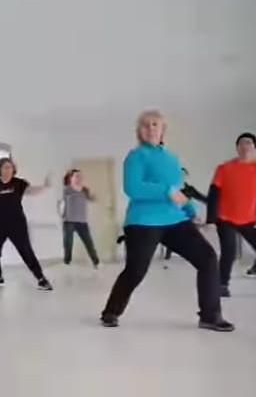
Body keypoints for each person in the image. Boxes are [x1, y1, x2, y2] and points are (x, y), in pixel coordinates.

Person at [100, 110, 234, 331]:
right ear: (139, 132)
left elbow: (178, 191)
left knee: (208, 258)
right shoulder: (136, 156)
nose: (150, 128)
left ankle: (210, 316)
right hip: (143, 222)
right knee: (136, 270)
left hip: (175, 221)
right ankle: (111, 311)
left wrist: (190, 210)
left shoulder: (171, 159)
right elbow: (133, 188)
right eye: (145, 125)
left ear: (163, 130)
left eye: (155, 124)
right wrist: (166, 191)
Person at [0, 158, 53, 290]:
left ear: (13, 170)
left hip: (16, 224)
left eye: (10, 167)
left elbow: (32, 191)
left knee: (26, 251)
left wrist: (45, 186)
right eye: (5, 167)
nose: (8, 170)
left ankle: (41, 279)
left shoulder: (18, 183)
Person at [206, 133, 256, 296]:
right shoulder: (225, 168)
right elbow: (214, 193)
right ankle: (222, 285)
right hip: (225, 218)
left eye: (248, 143)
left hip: (249, 219)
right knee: (229, 252)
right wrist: (211, 219)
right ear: (237, 148)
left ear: (254, 148)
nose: (245, 146)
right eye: (241, 143)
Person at [163, 167, 207, 267]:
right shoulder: (171, 189)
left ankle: (194, 251)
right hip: (174, 217)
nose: (181, 177)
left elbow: (202, 199)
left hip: (188, 216)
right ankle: (170, 251)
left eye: (183, 175)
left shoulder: (189, 189)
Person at [58, 169, 100, 268]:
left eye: (80, 176)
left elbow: (91, 198)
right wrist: (62, 215)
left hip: (82, 221)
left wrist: (93, 197)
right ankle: (67, 262)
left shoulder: (85, 190)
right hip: (69, 221)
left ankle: (96, 262)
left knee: (89, 243)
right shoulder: (67, 189)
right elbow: (61, 203)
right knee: (68, 243)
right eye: (76, 176)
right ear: (71, 178)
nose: (79, 178)